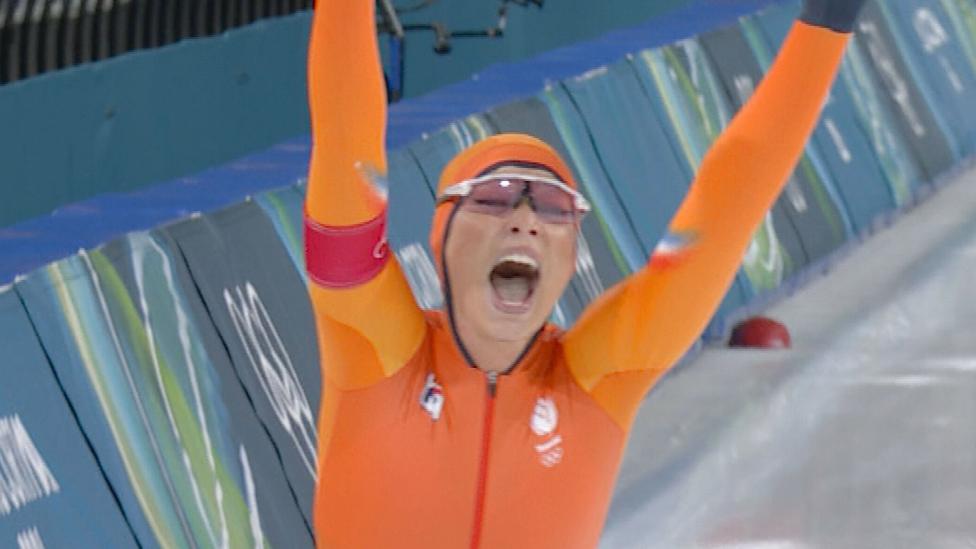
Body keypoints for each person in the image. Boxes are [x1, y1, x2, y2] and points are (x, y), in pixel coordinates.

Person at [304, 0, 866, 547]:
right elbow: (344, 147)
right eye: (495, 197)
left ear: (571, 259)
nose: (525, 220)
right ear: (441, 238)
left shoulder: (592, 381)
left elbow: (730, 205)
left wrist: (829, 21)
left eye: (553, 208)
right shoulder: (375, 349)